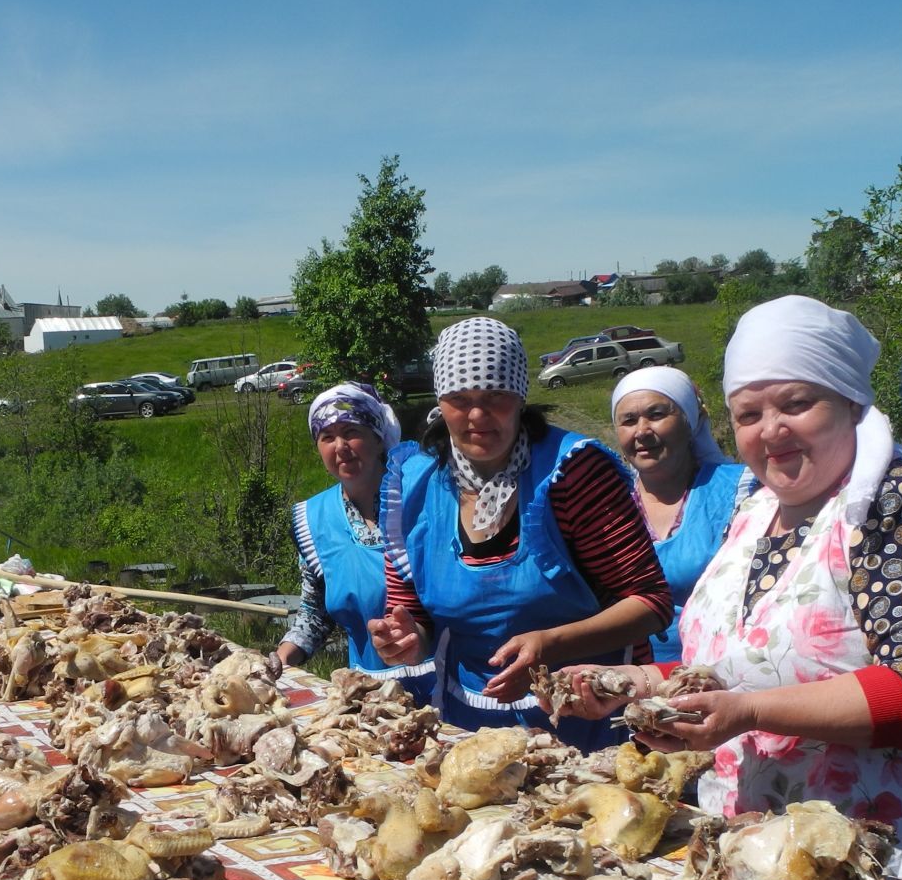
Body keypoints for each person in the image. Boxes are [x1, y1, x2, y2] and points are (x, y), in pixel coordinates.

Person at [554, 296, 902, 880]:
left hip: (878, 861)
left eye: (796, 404)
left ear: (848, 401)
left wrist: (749, 713)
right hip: (757, 853)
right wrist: (633, 684)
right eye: (747, 414)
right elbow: (734, 668)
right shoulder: (755, 512)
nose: (771, 430)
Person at [368, 316, 671, 745]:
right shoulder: (412, 484)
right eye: (460, 399)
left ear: (520, 395)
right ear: (440, 400)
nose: (477, 415)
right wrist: (405, 640)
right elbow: (414, 616)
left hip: (587, 712)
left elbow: (650, 602)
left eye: (495, 396)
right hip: (469, 718)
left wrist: (549, 645)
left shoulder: (572, 474)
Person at [272, 382, 432, 701]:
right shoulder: (315, 518)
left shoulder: (423, 498)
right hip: (366, 696)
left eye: (351, 431)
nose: (340, 446)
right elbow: (316, 614)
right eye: (327, 437)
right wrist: (282, 658)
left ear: (377, 436)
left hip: (441, 686)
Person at [609, 366, 750, 662]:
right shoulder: (607, 501)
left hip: (715, 674)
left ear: (690, 422)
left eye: (657, 415)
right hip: (625, 680)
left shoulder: (739, 489)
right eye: (629, 420)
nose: (642, 431)